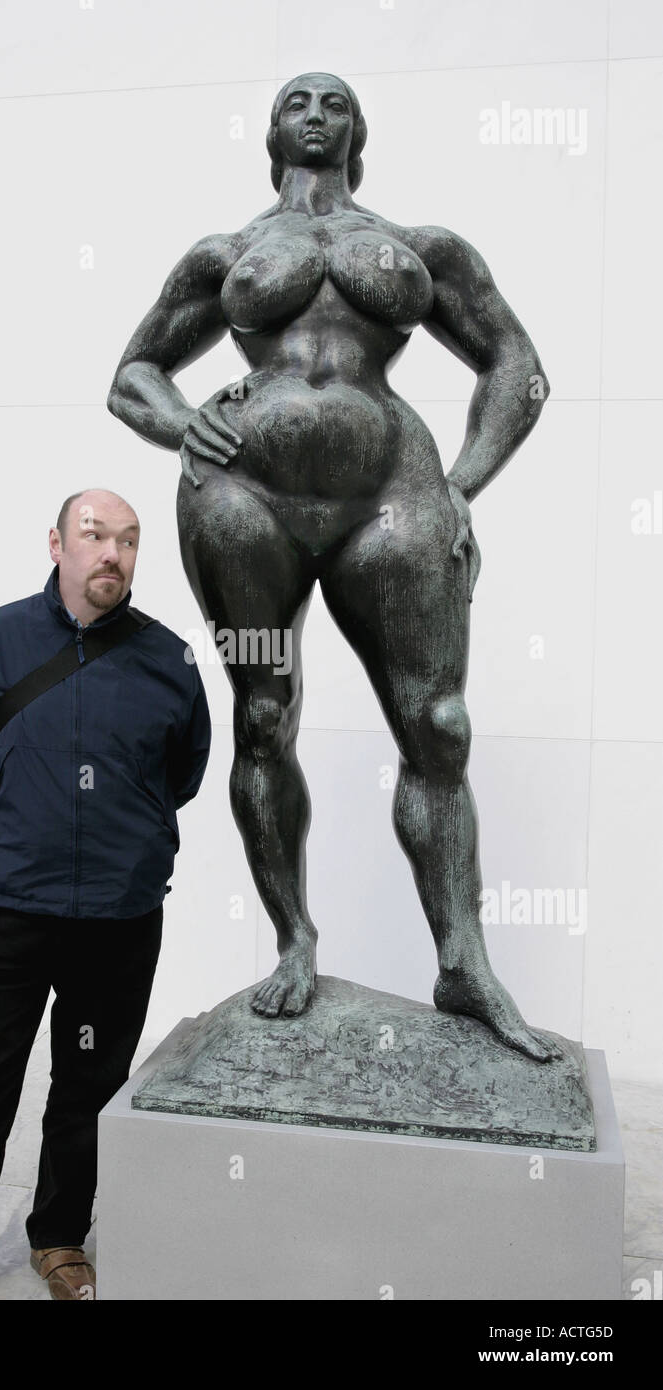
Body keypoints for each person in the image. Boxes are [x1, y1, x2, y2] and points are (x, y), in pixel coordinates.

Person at [108, 71, 559, 1064]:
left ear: (361, 130)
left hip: (392, 503)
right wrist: (188, 423)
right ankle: (295, 940)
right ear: (270, 130)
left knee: (437, 726)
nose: (316, 112)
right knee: (264, 715)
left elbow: (517, 367)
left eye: (336, 102)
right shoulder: (225, 255)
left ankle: (463, 958)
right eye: (297, 101)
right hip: (244, 509)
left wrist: (462, 488)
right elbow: (131, 375)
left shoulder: (419, 247)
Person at [0, 489, 211, 1301]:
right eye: (95, 536)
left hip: (118, 917)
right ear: (55, 543)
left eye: (128, 541)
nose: (112, 555)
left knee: (89, 1087)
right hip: (4, 909)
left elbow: (183, 773)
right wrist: (14, 820)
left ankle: (59, 1237)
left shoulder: (168, 659)